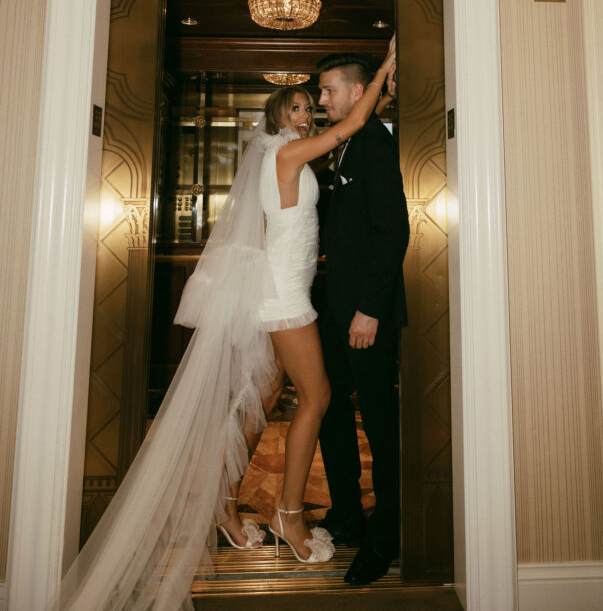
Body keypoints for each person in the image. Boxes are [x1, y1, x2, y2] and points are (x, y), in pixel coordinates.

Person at [44, 42, 396, 611]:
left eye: (313, 105)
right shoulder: (287, 155)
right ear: (280, 115)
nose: (310, 113)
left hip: (284, 290)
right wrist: (384, 70)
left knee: (261, 396)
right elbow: (354, 120)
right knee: (318, 396)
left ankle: (224, 503)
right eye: (300, 107)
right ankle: (288, 516)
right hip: (285, 298)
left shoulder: (287, 154)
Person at [316, 51, 409, 587]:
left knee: (378, 422)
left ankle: (386, 537)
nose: (323, 99)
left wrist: (370, 309)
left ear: (356, 92)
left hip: (365, 313)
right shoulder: (351, 139)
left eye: (329, 90)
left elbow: (391, 230)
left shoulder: (373, 143)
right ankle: (348, 515)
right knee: (329, 409)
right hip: (337, 310)